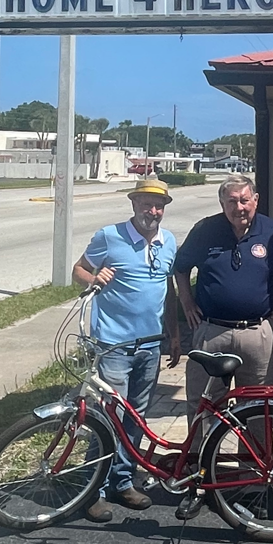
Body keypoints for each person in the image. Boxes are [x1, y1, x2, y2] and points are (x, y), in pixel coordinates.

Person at [174, 174, 273, 518]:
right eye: (231, 201)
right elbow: (181, 268)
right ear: (222, 204)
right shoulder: (205, 230)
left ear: (255, 200)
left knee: (260, 410)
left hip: (259, 334)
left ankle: (254, 482)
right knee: (201, 408)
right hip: (211, 332)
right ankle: (198, 480)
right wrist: (186, 302)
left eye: (244, 200)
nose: (238, 207)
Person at [72, 178, 181, 523]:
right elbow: (78, 270)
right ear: (134, 204)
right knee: (109, 418)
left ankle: (122, 481)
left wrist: (174, 335)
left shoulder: (169, 242)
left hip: (150, 345)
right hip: (114, 345)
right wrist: (93, 280)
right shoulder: (109, 236)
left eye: (159, 205)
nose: (153, 211)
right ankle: (94, 491)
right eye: (147, 204)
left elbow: (168, 292)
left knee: (136, 417)